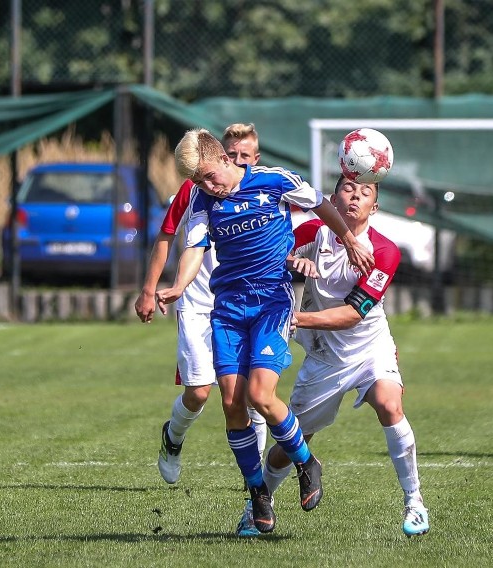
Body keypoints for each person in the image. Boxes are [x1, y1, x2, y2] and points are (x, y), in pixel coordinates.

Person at [156, 128, 375, 534]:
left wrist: (348, 240)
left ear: (224, 158)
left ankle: (306, 462)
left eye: (208, 176)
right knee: (232, 404)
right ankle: (258, 492)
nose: (206, 186)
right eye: (198, 182)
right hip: (227, 311)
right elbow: (193, 248)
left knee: (260, 395)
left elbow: (321, 204)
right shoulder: (204, 200)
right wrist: (179, 286)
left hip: (271, 303)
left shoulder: (274, 180)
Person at [234, 174, 430, 538]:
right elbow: (274, 258)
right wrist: (294, 263)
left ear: (376, 205)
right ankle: (258, 505)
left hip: (370, 346)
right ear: (333, 198)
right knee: (292, 443)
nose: (355, 196)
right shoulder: (312, 231)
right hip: (324, 357)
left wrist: (297, 318)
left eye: (365, 192)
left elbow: (355, 313)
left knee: (390, 405)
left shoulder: (384, 251)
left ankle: (414, 502)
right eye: (348, 189)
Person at [134, 124, 268, 486]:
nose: (237, 161)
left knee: (253, 393)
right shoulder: (195, 191)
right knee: (198, 391)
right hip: (198, 299)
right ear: (219, 155)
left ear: (253, 160)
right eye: (232, 154)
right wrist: (149, 289)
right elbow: (166, 236)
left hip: (244, 301)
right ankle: (172, 438)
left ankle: (254, 485)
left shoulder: (264, 190)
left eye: (246, 157)